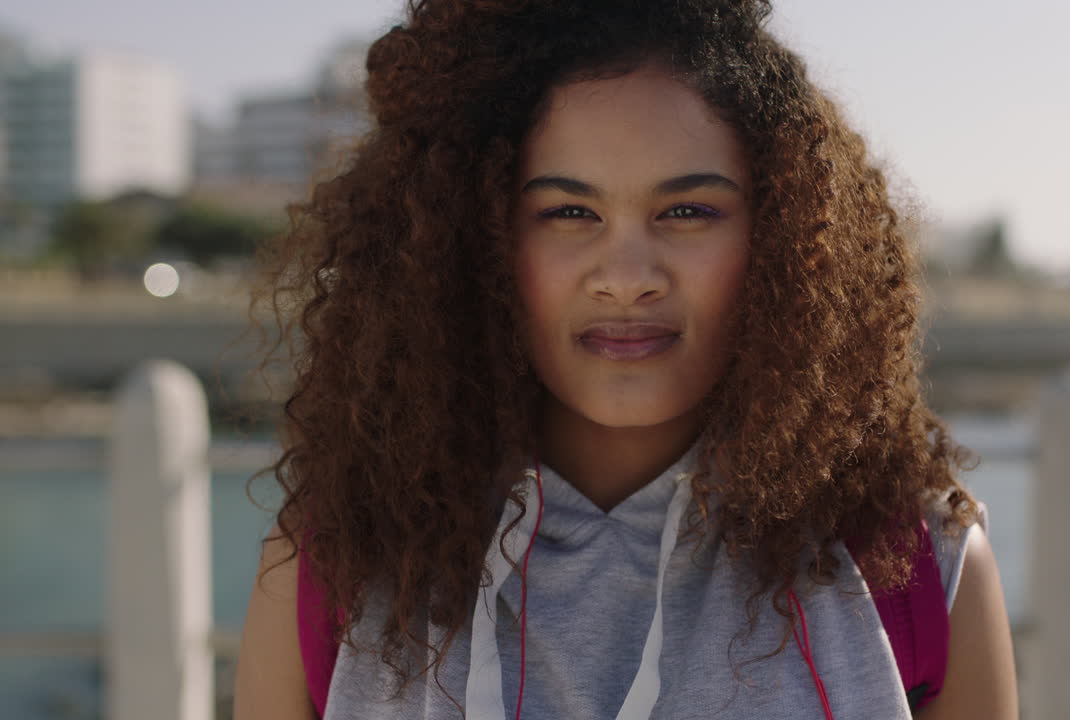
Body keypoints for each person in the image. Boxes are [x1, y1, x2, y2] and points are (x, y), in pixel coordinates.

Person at [233, 1, 1018, 718]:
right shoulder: (336, 561)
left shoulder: (913, 564)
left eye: (688, 211)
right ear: (470, 240)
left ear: (782, 239)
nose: (627, 277)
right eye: (568, 212)